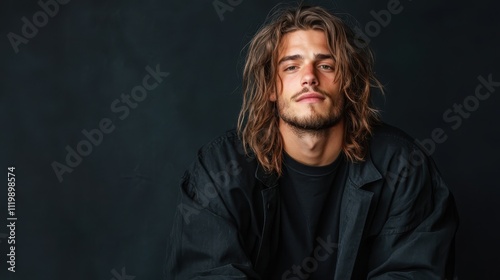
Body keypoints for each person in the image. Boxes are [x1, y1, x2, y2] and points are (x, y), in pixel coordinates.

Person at [164, 5, 458, 280]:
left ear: (349, 84)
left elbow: (415, 272)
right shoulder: (219, 172)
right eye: (291, 67)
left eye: (327, 66)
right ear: (271, 88)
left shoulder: (403, 168)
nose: (309, 78)